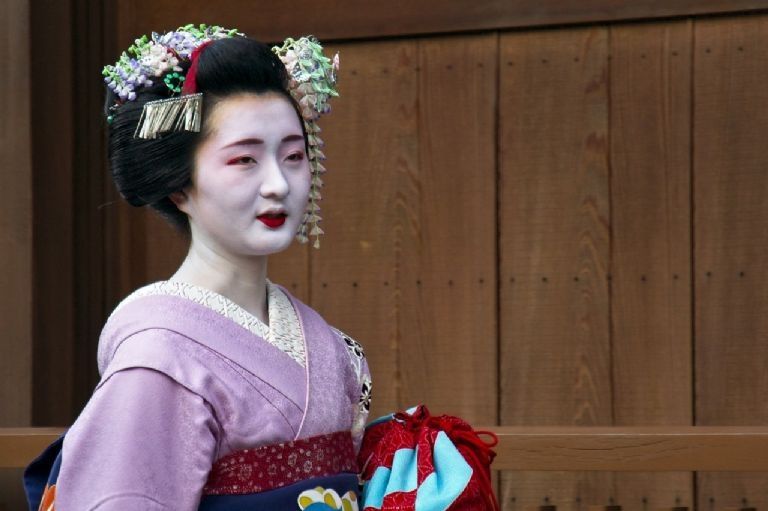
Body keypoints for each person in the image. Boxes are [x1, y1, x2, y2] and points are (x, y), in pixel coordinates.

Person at [24, 24, 372, 511]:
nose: (278, 183)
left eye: (294, 156)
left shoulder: (328, 347)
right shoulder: (160, 357)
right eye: (245, 160)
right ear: (179, 184)